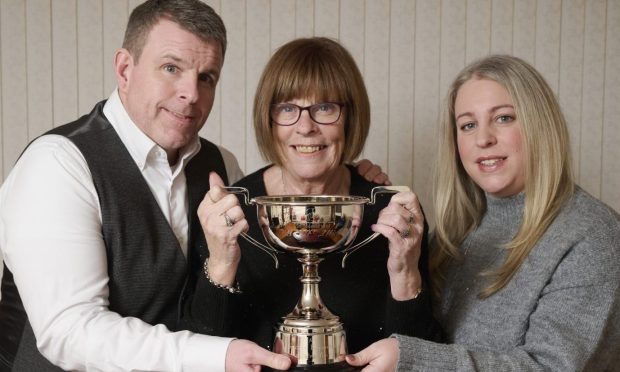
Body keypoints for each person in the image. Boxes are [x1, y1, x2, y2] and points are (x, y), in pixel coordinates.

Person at [0, 1, 389, 371]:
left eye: (207, 77)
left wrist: (343, 175)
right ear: (124, 69)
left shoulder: (221, 166)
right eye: (171, 68)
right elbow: (69, 333)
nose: (191, 93)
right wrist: (216, 357)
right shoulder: (57, 165)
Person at [346, 55, 620, 371]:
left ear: (539, 123)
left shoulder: (594, 236)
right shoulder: (460, 234)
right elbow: (430, 344)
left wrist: (410, 359)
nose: (483, 138)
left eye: (503, 118)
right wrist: (406, 275)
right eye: (468, 125)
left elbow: (550, 367)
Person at [182, 37, 439, 364]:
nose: (305, 127)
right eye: (288, 108)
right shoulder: (228, 214)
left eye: (325, 108)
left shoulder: (393, 214)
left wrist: (406, 274)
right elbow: (198, 356)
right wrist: (220, 265)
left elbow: (427, 357)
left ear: (350, 117)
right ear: (269, 119)